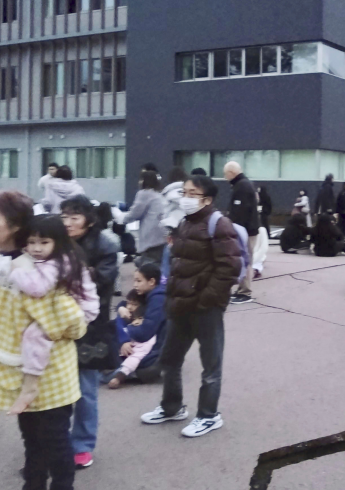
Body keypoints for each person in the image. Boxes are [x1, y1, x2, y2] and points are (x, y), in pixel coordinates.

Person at [0, 191, 86, 490]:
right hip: (24, 371)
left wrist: (47, 329)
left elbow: (72, 322)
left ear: (15, 225)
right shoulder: (11, 262)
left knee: (55, 445)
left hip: (49, 375)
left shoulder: (34, 269)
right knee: (33, 442)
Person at [141, 175, 240, 437]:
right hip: (180, 306)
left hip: (205, 308)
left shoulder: (219, 224)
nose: (185, 198)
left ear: (207, 199)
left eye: (191, 193)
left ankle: (209, 416)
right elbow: (177, 265)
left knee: (210, 366)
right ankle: (172, 408)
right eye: (184, 192)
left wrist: (206, 298)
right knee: (170, 360)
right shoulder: (185, 223)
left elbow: (230, 267)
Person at [3, 215, 100, 416]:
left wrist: (13, 272)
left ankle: (31, 384)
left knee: (35, 334)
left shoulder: (57, 262)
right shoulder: (58, 257)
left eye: (44, 242)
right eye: (31, 242)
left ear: (58, 242)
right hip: (71, 307)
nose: (37, 248)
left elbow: (37, 288)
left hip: (81, 310)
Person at [60, 195, 120, 468]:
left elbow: (104, 281)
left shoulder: (105, 244)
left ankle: (82, 445)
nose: (68, 223)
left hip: (91, 327)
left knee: (86, 390)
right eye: (65, 217)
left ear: (89, 219)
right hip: (57, 326)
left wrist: (78, 272)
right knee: (55, 387)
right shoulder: (55, 241)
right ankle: (57, 441)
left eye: (74, 217)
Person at [108, 263, 166, 389]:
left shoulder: (158, 299)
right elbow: (126, 302)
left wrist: (125, 335)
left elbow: (145, 332)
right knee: (115, 323)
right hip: (143, 340)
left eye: (138, 281)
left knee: (102, 373)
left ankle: (126, 371)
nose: (135, 285)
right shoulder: (146, 292)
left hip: (151, 349)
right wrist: (122, 308)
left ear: (151, 281)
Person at [223, 162, 259, 305]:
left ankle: (245, 292)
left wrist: (232, 228)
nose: (225, 178)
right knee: (244, 259)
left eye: (226, 174)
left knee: (245, 259)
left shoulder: (241, 187)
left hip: (246, 230)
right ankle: (242, 290)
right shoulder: (244, 184)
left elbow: (239, 213)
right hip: (249, 229)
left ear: (231, 173)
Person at [122, 171, 167, 267]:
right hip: (161, 235)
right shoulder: (158, 194)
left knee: (149, 266)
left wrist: (121, 220)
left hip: (151, 236)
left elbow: (135, 213)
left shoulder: (145, 194)